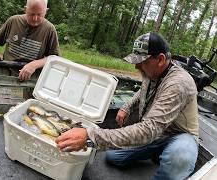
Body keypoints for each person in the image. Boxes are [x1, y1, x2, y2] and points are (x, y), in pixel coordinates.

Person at [56, 32, 199, 180]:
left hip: (178, 136)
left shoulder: (178, 83)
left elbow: (148, 130)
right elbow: (144, 90)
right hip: (156, 135)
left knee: (180, 157)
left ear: (161, 59)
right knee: (113, 156)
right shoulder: (154, 72)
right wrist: (127, 107)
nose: (136, 66)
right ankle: (158, 152)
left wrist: (91, 135)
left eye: (142, 61)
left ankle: (168, 158)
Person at [0, 0, 59, 81]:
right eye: (31, 14)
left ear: (46, 11)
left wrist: (34, 65)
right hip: (6, 72)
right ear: (25, 9)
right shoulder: (14, 21)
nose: (35, 19)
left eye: (39, 14)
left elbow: (54, 57)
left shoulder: (49, 29)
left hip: (31, 77)